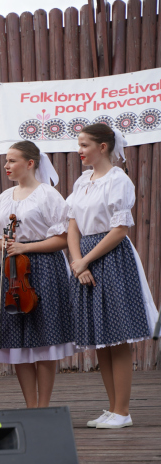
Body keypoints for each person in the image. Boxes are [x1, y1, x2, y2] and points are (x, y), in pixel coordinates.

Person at [67, 124, 158, 429]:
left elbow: (119, 229)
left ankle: (123, 410)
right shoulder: (82, 182)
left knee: (117, 337)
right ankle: (112, 407)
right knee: (101, 339)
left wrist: (86, 260)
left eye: (84, 145)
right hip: (86, 259)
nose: (79, 150)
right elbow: (73, 225)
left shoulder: (118, 180)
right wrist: (77, 261)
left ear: (103, 147)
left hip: (111, 257)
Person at [0, 141, 75, 408]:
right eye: (6, 160)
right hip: (13, 270)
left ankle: (44, 406)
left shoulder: (48, 195)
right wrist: (3, 244)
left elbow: (63, 237)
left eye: (12, 161)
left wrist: (26, 246)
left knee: (44, 338)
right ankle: (30, 406)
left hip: (45, 268)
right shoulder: (4, 197)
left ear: (30, 163)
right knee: (18, 342)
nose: (7, 165)